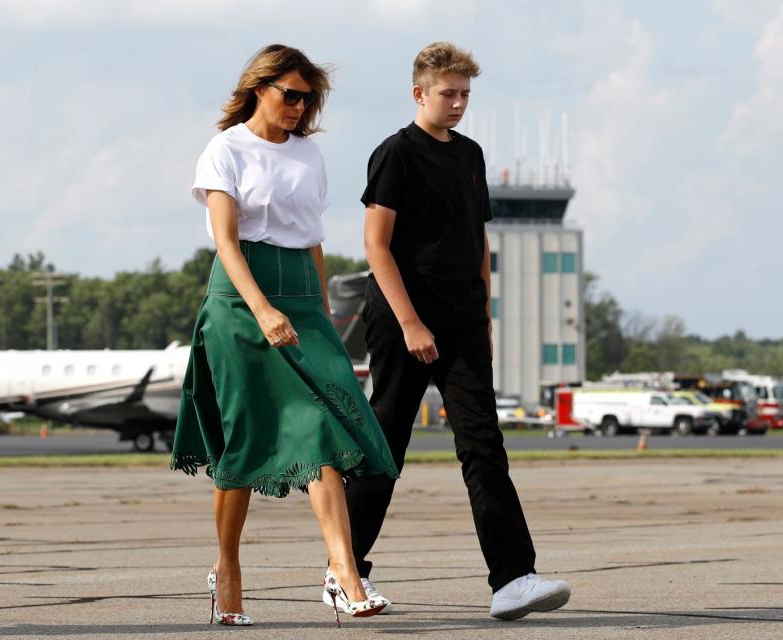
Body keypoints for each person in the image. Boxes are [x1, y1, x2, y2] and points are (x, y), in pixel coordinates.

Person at [334, 41, 571, 621]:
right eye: (449, 93)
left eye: (466, 94)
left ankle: (513, 578)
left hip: (462, 320)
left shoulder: (470, 155)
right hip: (402, 321)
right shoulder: (395, 154)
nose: (459, 103)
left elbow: (476, 238)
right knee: (385, 445)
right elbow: (376, 246)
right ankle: (346, 571)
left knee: (484, 445)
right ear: (420, 93)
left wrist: (481, 312)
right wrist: (412, 322)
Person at [170, 44, 398, 627]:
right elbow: (224, 240)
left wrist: (319, 309)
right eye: (290, 95)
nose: (299, 107)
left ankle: (346, 578)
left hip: (301, 298)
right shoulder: (225, 150)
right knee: (245, 443)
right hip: (240, 302)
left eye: (308, 98)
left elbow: (311, 236)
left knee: (321, 427)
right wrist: (262, 309)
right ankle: (227, 569)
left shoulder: (310, 156)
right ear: (259, 88)